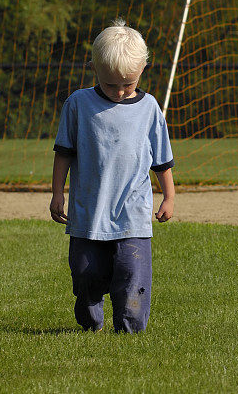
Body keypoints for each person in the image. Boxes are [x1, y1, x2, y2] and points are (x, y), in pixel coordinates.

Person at [50, 18, 175, 333]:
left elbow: (162, 161)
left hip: (132, 213)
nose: (120, 91)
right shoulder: (78, 104)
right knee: (85, 274)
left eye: (128, 84)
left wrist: (169, 196)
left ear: (143, 69)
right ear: (93, 67)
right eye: (110, 84)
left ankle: (129, 329)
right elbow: (64, 152)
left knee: (132, 276)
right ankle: (91, 323)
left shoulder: (149, 109)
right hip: (88, 212)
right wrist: (57, 193)